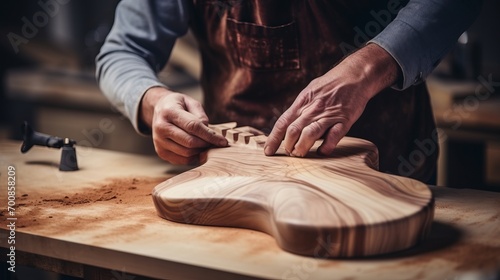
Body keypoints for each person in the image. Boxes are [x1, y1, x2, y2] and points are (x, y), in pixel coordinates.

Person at [96, 0, 482, 184]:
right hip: (233, 185)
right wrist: (153, 101)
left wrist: (367, 67)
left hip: (386, 175)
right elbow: (123, 50)